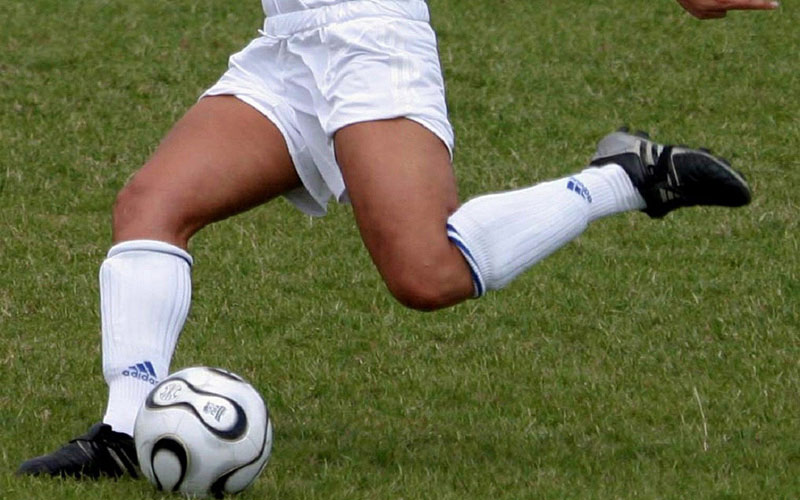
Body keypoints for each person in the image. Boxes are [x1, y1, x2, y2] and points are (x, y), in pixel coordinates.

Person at [18, 0, 776, 480]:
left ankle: (626, 177)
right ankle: (125, 431)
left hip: (372, 40)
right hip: (288, 45)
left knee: (427, 272)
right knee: (151, 204)